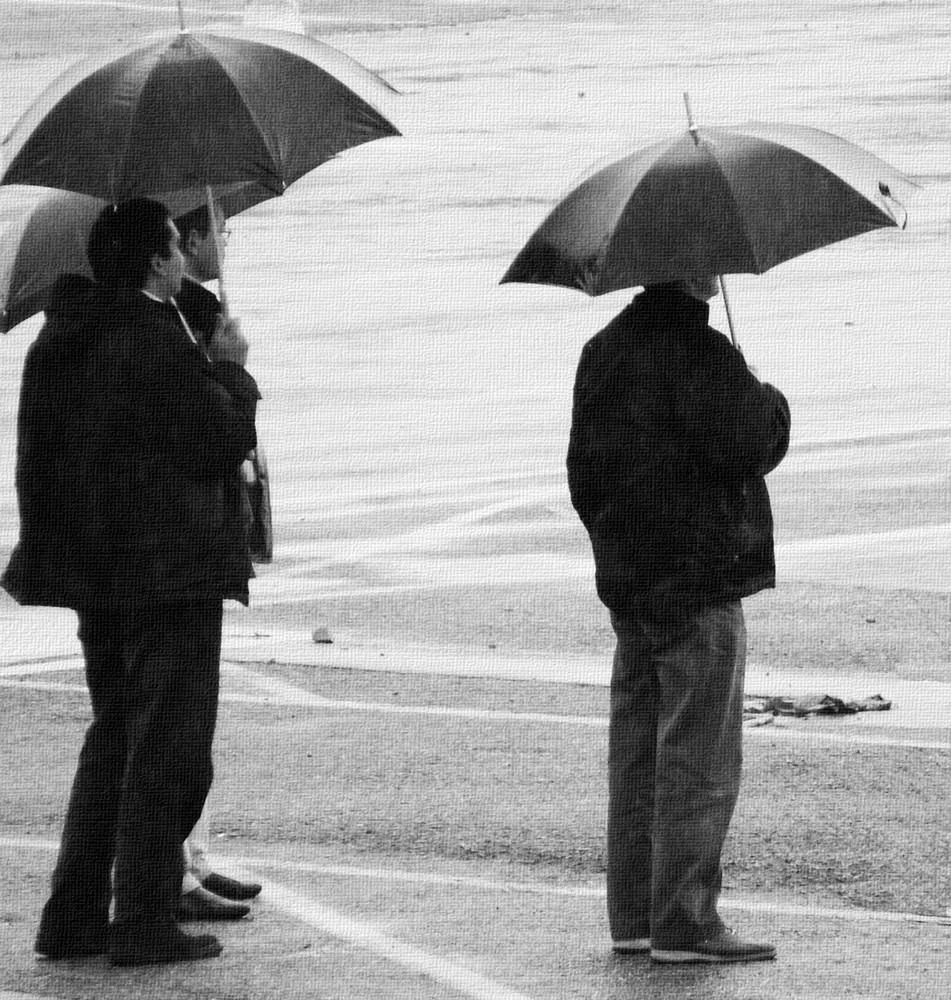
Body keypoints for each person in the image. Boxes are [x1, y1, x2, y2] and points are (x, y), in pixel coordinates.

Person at [2, 198, 260, 966]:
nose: (184, 255)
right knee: (168, 747)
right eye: (177, 245)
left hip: (95, 571)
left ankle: (73, 914)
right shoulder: (151, 342)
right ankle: (143, 916)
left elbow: (41, 460)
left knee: (113, 738)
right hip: (167, 571)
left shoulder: (62, 338)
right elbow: (216, 441)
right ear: (154, 260)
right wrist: (231, 372)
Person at [566, 276, 790, 964]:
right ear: (695, 271)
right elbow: (753, 445)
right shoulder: (702, 353)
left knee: (635, 755)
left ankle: (635, 915)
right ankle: (686, 921)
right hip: (697, 583)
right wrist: (768, 400)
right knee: (698, 757)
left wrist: (617, 545)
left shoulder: (602, 350)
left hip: (631, 585)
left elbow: (582, 472)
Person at [173, 203, 264, 919]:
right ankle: (173, 865)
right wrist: (233, 370)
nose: (223, 242)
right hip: (181, 550)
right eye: (215, 231)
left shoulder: (186, 311)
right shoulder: (180, 318)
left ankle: (191, 855)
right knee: (174, 725)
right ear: (186, 240)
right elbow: (212, 430)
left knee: (187, 726)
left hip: (187, 544)